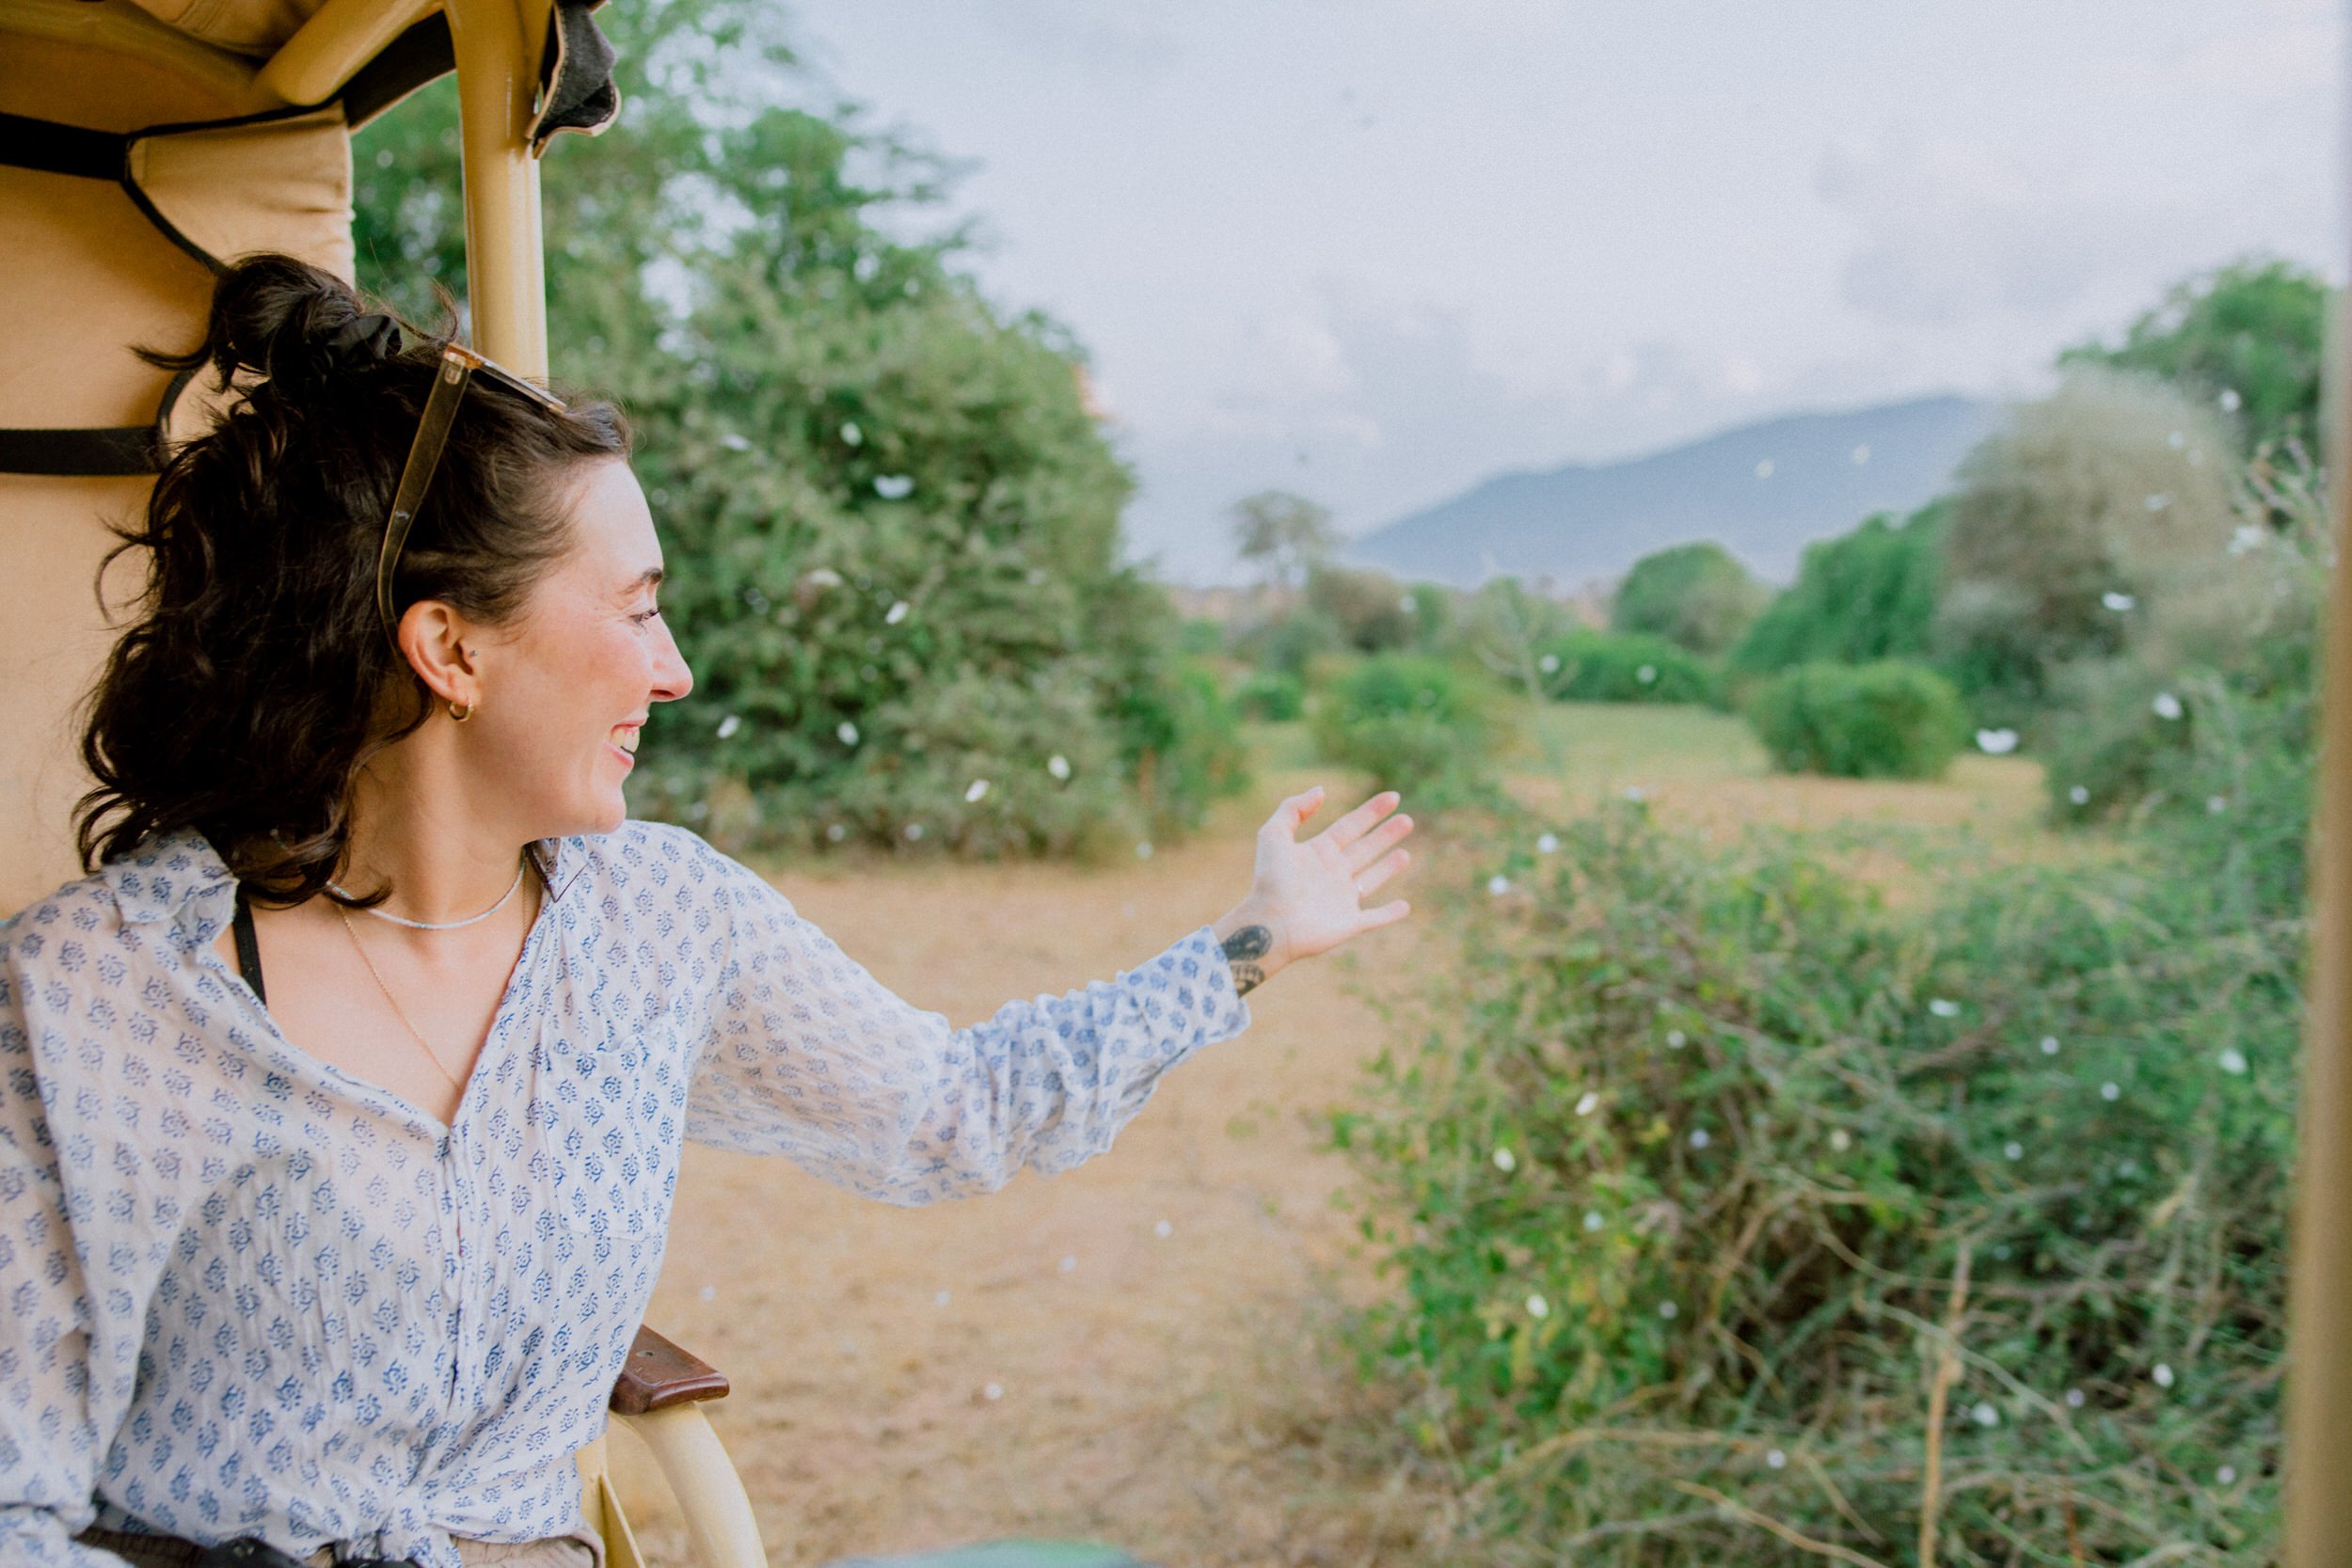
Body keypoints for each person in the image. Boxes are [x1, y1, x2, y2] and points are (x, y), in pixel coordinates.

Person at [0, 257, 1416, 1568]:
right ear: (451, 650)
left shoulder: (663, 923)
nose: (673, 673)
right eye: (636, 611)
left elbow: (952, 1107)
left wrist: (1249, 946)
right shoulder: (94, 1000)